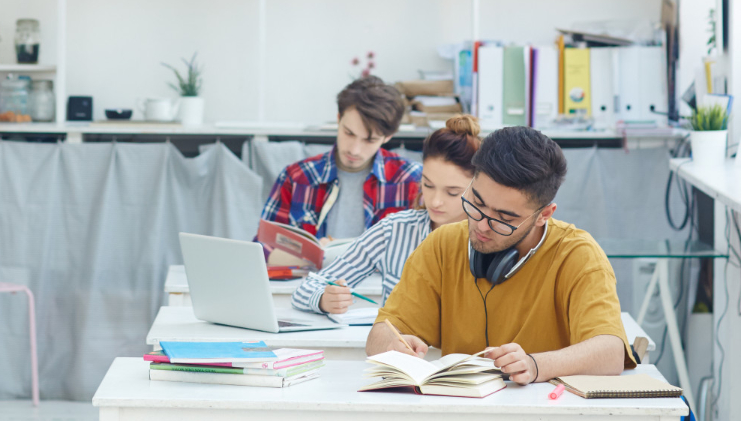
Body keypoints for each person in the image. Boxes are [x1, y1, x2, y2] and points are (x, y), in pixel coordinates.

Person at [367, 126, 631, 385]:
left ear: (544, 214)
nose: (481, 226)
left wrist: (535, 365)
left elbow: (610, 352)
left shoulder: (578, 256)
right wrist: (392, 346)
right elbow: (380, 334)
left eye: (505, 218)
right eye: (477, 204)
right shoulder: (441, 245)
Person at [291, 114, 481, 315]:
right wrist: (323, 299)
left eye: (452, 192)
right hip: (397, 345)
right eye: (428, 185)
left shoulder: (490, 237)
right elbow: (307, 288)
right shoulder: (393, 230)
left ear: (477, 186)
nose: (434, 201)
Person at [260, 76, 419, 239]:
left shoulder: (413, 180)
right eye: (349, 133)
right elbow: (264, 247)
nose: (355, 150)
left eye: (369, 140)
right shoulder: (295, 178)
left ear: (388, 137)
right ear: (338, 119)